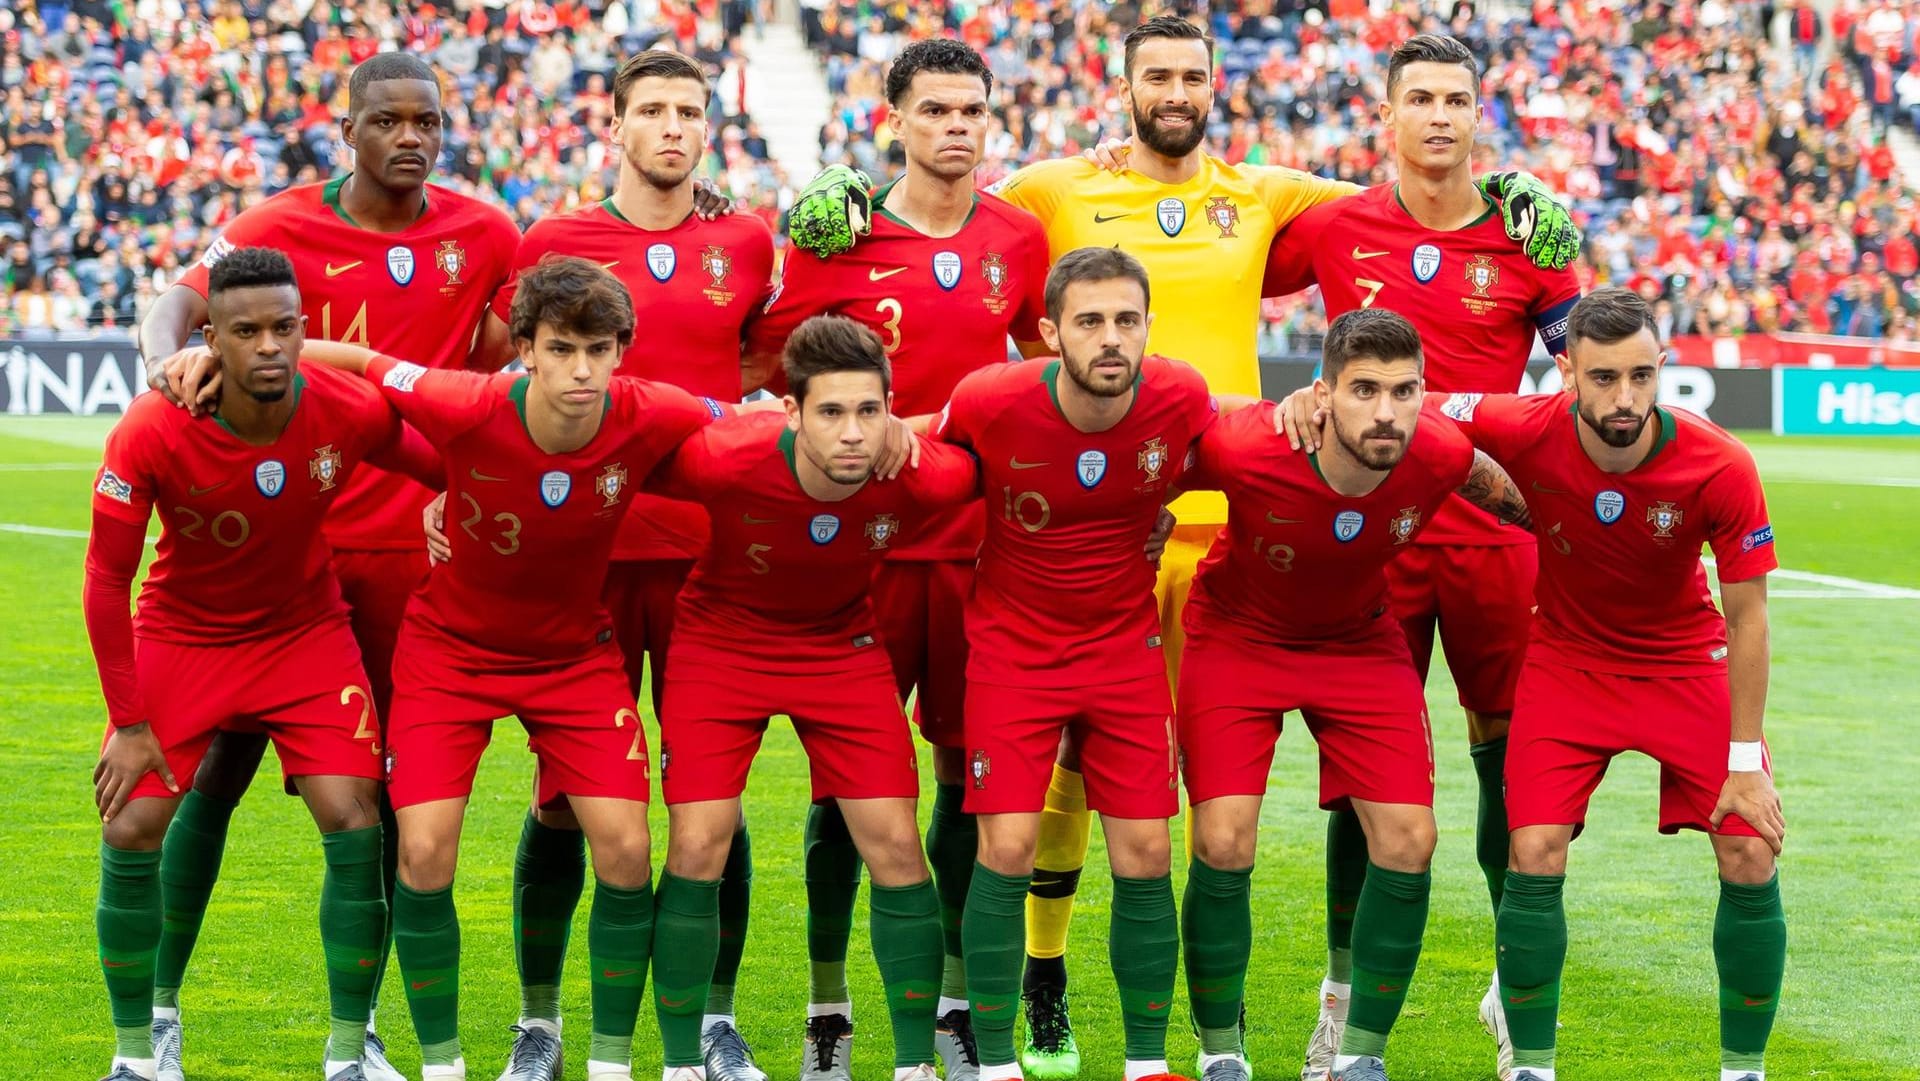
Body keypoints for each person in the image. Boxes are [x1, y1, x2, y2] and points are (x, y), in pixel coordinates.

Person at [787, 23, 1580, 1069]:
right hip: (1083, 520)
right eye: (1155, 76)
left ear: (1216, 87)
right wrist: (848, 187)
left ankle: (1213, 1032)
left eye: (1191, 76)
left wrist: (1512, 185)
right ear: (1121, 90)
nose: (1174, 91)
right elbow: (945, 209)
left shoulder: (1271, 196)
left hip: (1228, 525)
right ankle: (1041, 978)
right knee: (1054, 763)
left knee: (1187, 795)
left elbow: (1410, 194)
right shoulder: (1049, 190)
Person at [134, 52, 520, 1081]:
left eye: (428, 122)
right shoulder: (278, 225)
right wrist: (169, 361)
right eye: (388, 121)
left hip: (412, 559)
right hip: (285, 549)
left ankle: (360, 1031)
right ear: (343, 130)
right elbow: (175, 299)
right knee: (211, 772)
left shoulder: (484, 233)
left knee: (381, 799)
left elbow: (529, 333)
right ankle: (160, 1011)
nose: (412, 138)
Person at [1299, 288, 1785, 1081]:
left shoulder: (1722, 463)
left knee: (1750, 851)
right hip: (1568, 664)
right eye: (1602, 378)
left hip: (1684, 663)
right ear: (1566, 373)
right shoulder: (1522, 424)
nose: (1622, 397)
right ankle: (1531, 1065)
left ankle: (1743, 1071)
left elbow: (1749, 619)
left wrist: (1742, 762)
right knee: (1533, 850)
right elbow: (1415, 401)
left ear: (1664, 368)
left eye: (1639, 376)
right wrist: (1314, 402)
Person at [297, 257, 741, 1081]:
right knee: (423, 851)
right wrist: (228, 355)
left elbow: (748, 422)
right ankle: (442, 1064)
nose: (582, 370)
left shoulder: (652, 411)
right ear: (526, 349)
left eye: (599, 350)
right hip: (450, 654)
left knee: (626, 848)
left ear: (621, 352)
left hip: (573, 658)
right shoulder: (462, 400)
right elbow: (362, 364)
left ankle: (609, 1060)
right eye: (563, 348)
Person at [1258, 36, 1582, 1081]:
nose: (1440, 116)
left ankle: (1507, 975)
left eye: (1457, 99)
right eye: (1421, 100)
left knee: (1509, 752)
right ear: (1385, 119)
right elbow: (1211, 264)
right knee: (1362, 773)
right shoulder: (1334, 224)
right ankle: (1340, 998)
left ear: (1479, 117)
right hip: (1368, 532)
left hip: (1495, 532)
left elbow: (1590, 363)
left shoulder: (1533, 234)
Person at [465, 48, 777, 1081]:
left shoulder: (746, 239)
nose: (675, 127)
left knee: (708, 805)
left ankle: (714, 1021)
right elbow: (496, 382)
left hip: (708, 562)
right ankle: (540, 1022)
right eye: (653, 111)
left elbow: (768, 369)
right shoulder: (555, 242)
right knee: (563, 797)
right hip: (581, 563)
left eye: (691, 111)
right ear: (615, 127)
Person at [741, 38, 1048, 1081]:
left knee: (967, 784)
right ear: (895, 120)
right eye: (936, 111)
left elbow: (1041, 379)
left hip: (974, 555)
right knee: (845, 793)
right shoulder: (841, 233)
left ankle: (957, 1001)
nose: (957, 127)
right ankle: (829, 1005)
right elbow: (765, 364)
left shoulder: (1020, 237)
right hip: (855, 553)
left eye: (973, 110)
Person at [85, 246, 442, 1081]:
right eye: (246, 331)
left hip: (304, 635)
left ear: (304, 328)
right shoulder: (154, 425)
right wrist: (131, 725)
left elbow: (447, 458)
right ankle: (137, 1053)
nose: (270, 347)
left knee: (356, 816)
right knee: (131, 823)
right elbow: (106, 580)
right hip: (184, 635)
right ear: (211, 337)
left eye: (285, 327)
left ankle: (350, 1052)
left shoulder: (343, 408)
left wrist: (453, 496)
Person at [1176, 308, 1531, 1081]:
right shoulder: (1253, 443)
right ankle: (1220, 1050)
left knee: (1409, 840)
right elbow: (1149, 464)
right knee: (1223, 841)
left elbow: (1516, 499)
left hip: (1357, 641)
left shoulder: (1438, 451)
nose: (1384, 411)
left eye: (1404, 391)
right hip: (1238, 636)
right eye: (1363, 389)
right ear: (1324, 392)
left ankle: (1359, 1055)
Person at [646, 315, 976, 1081]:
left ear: (891, 408)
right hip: (720, 643)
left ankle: (910, 1066)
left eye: (869, 410)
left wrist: (1150, 517)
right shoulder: (723, 457)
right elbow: (606, 453)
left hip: (839, 646)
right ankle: (678, 1065)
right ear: (789, 411)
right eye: (830, 411)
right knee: (698, 842)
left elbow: (1041, 465)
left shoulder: (927, 475)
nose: (853, 432)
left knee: (895, 847)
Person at [931, 246, 1232, 1081]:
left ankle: (1145, 1063)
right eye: (1090, 321)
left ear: (1149, 328)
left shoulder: (1180, 394)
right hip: (1013, 653)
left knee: (1145, 853)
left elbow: (1230, 446)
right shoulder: (989, 399)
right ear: (1047, 332)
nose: (1110, 339)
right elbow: (924, 462)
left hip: (1122, 652)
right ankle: (994, 1063)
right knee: (1008, 846)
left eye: (1127, 321)